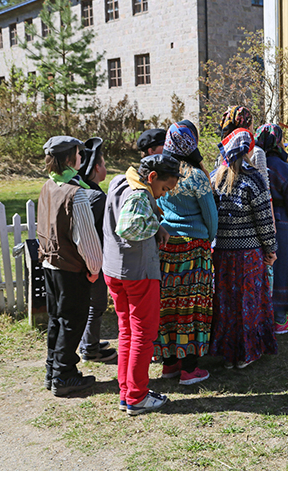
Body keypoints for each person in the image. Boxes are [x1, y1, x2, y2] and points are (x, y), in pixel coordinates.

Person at [102, 154, 181, 416]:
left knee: (126, 332)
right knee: (144, 336)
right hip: (139, 273)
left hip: (115, 270)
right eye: (163, 189)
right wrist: (155, 222)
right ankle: (137, 397)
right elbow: (129, 227)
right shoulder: (139, 194)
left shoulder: (119, 181)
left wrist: (155, 225)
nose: (161, 196)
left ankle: (127, 393)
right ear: (151, 177)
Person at [37, 136, 102, 397]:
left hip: (49, 263)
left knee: (56, 319)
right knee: (72, 321)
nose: (81, 157)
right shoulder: (77, 194)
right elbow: (85, 238)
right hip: (71, 268)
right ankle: (64, 376)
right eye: (78, 153)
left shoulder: (47, 186)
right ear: (69, 159)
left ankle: (52, 370)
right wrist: (94, 268)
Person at [209, 124, 278, 369]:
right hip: (248, 255)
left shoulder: (214, 178)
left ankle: (228, 354)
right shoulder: (253, 179)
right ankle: (246, 353)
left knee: (227, 303)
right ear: (248, 150)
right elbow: (264, 219)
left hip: (223, 254)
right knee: (248, 303)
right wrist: (271, 249)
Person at [155, 120, 217, 386]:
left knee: (168, 306)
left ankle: (169, 365)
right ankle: (190, 369)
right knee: (192, 307)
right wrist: (208, 239)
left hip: (166, 248)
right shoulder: (196, 175)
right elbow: (211, 216)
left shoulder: (159, 171)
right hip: (194, 250)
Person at [255, 123, 288, 333]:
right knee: (282, 270)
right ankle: (280, 319)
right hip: (281, 224)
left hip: (258, 224)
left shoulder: (254, 163)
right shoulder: (283, 168)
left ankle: (262, 317)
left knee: (264, 270)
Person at [76, 137, 117, 363]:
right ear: (96, 168)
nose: (106, 167)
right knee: (96, 304)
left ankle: (87, 342)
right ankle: (90, 349)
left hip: (85, 260)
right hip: (94, 261)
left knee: (90, 303)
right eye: (103, 163)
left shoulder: (85, 191)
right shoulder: (96, 197)